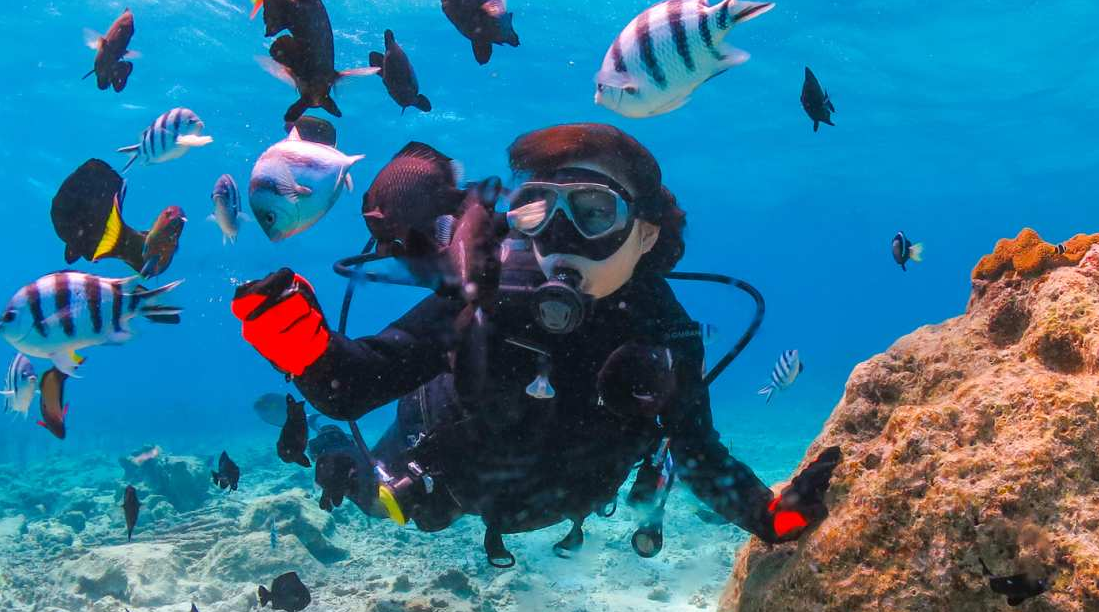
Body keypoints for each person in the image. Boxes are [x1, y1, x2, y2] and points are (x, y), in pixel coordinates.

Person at [231, 122, 839, 566]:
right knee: (377, 497)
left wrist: (771, 516)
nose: (560, 235)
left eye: (594, 211)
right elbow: (358, 383)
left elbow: (697, 452)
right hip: (442, 477)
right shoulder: (489, 290)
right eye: (538, 209)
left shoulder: (665, 333)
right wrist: (302, 346)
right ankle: (329, 445)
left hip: (559, 498)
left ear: (647, 234)